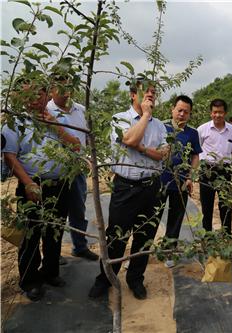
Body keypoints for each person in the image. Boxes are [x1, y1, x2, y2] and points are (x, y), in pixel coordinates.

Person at [88, 80, 169, 300]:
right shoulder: (119, 119)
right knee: (117, 236)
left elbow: (163, 154)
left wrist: (140, 148)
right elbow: (130, 138)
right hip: (125, 187)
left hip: (152, 187)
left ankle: (135, 279)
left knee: (144, 237)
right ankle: (105, 279)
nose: (151, 95)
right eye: (146, 91)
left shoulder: (161, 125)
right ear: (133, 94)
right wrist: (144, 116)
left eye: (154, 92)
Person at [2, 77, 80, 301]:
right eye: (27, 95)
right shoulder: (14, 123)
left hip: (59, 185)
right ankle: (30, 280)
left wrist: (56, 127)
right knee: (31, 234)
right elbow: (10, 157)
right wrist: (28, 183)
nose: (34, 100)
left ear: (47, 95)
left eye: (38, 94)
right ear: (19, 97)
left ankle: (50, 272)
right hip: (31, 186)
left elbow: (76, 146)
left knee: (54, 232)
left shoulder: (59, 118)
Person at [46, 73, 99, 261]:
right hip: (54, 171)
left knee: (78, 209)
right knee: (55, 213)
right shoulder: (46, 111)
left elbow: (86, 138)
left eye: (69, 86)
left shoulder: (81, 110)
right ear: (51, 88)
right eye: (60, 87)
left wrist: (88, 159)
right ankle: (53, 253)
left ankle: (80, 246)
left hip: (78, 169)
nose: (66, 91)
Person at [160, 95, 202, 267]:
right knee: (151, 216)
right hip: (160, 181)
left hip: (181, 182)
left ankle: (168, 250)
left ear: (190, 114)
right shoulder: (161, 127)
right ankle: (141, 253)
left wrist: (191, 177)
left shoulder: (192, 133)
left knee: (176, 217)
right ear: (172, 109)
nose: (182, 114)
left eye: (186, 112)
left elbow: (195, 156)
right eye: (179, 110)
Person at [197, 99, 232, 234]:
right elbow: (196, 152)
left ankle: (227, 234)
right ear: (211, 113)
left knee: (226, 204)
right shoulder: (202, 129)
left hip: (225, 171)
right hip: (207, 170)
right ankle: (207, 234)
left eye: (220, 112)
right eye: (215, 112)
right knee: (207, 205)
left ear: (225, 113)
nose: (217, 115)